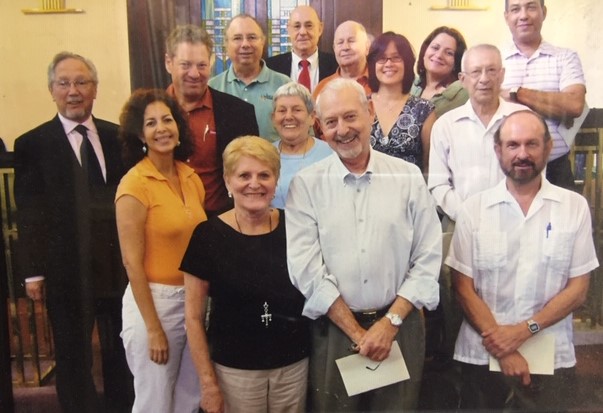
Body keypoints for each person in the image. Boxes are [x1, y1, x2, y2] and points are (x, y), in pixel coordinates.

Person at [286, 78, 442, 411]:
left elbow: (428, 258)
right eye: (331, 122)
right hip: (336, 331)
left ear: (369, 112)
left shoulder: (407, 177)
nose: (342, 130)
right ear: (320, 127)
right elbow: (306, 269)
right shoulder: (306, 185)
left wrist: (390, 323)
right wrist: (358, 333)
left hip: (400, 328)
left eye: (350, 116)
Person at [447, 110, 598, 411]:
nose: (522, 154)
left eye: (531, 144)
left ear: (547, 147)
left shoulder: (574, 207)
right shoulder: (473, 210)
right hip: (482, 356)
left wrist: (520, 332)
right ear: (498, 150)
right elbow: (462, 287)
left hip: (551, 356)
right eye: (513, 145)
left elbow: (578, 289)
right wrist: (504, 348)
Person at [13, 51, 132, 413]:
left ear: (95, 89)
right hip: (65, 271)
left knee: (119, 352)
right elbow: (29, 212)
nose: (73, 91)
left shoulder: (118, 137)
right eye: (64, 83)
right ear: (52, 90)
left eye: (82, 82)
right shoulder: (32, 144)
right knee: (73, 355)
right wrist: (33, 272)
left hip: (115, 270)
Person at [182, 136, 310, 413]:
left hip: (293, 367)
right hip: (234, 372)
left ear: (276, 181)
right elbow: (192, 318)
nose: (255, 183)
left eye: (264, 175)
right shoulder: (207, 236)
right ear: (228, 181)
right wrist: (208, 383)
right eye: (244, 175)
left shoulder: (296, 226)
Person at [116, 89, 207, 413]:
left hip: (194, 302)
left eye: (167, 119)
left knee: (189, 399)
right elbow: (131, 262)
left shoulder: (190, 176)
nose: (162, 128)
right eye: (151, 123)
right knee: (154, 403)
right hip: (154, 303)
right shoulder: (134, 184)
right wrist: (153, 328)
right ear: (140, 134)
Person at [165, 25, 259, 217]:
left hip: (218, 223)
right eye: (185, 65)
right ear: (168, 63)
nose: (194, 73)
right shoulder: (148, 112)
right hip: (165, 222)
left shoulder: (239, 113)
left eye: (201, 65)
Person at [429, 44, 528, 223]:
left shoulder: (524, 120)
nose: (484, 79)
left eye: (491, 70)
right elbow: (438, 185)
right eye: (476, 72)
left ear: (502, 75)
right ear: (462, 79)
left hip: (515, 224)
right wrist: (467, 216)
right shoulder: (445, 125)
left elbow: (534, 178)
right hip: (460, 225)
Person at [501, 0, 586, 190]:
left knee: (564, 220)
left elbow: (574, 105)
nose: (523, 15)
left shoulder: (565, 57)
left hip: (556, 169)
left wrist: (515, 94)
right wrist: (551, 102)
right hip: (505, 172)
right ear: (506, 17)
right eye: (515, 9)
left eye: (531, 7)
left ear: (544, 12)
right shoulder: (495, 60)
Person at [209, 14, 291, 142]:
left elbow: (302, 134)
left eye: (252, 37)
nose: (245, 44)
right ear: (226, 44)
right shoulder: (212, 87)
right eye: (237, 38)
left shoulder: (284, 85)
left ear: (263, 41)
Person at [368, 31, 436, 173]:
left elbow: (430, 166)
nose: (388, 64)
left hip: (411, 192)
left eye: (396, 58)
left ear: (407, 63)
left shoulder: (423, 110)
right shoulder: (360, 105)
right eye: (381, 58)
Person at [270, 81, 332, 209]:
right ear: (273, 119)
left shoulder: (331, 154)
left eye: (297, 110)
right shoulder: (264, 155)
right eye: (282, 110)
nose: (288, 116)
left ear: (312, 117)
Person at [265, 5, 338, 92]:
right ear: (288, 30)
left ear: (320, 29)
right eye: (297, 26)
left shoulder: (336, 65)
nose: (303, 32)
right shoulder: (270, 67)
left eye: (309, 25)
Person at [411, 26, 469, 118]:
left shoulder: (463, 93)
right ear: (424, 52)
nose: (439, 55)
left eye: (449, 53)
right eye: (435, 48)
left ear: (456, 62)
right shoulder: (410, 85)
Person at [312, 20, 372, 99]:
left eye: (351, 41)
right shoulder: (323, 88)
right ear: (334, 49)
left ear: (367, 47)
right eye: (340, 43)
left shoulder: (381, 82)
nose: (345, 47)